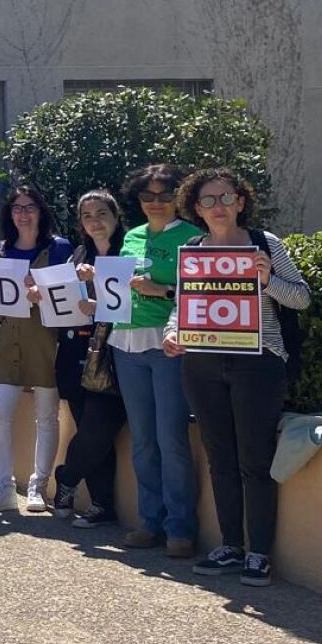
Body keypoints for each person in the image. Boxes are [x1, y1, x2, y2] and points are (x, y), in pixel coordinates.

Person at [165, 169, 309, 588]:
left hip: (258, 363)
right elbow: (182, 304)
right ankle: (231, 545)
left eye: (226, 198)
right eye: (208, 200)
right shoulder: (193, 250)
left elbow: (301, 297)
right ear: (196, 208)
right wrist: (172, 332)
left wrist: (267, 279)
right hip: (202, 363)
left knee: (255, 460)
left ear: (240, 202)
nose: (219, 207)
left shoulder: (265, 244)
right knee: (219, 458)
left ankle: (259, 552)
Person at [112, 164, 203, 558]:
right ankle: (150, 521)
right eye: (147, 196)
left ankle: (180, 528)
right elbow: (118, 288)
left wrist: (162, 290)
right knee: (143, 440)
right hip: (125, 344)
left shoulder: (193, 237)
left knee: (171, 438)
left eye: (165, 195)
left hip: (169, 346)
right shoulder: (131, 236)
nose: (155, 202)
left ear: (178, 197)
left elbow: (201, 292)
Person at [0, 185, 75, 514]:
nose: (23, 214)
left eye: (30, 207)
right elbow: (0, 298)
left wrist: (41, 292)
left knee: (46, 416)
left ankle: (38, 487)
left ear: (41, 212)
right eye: (17, 208)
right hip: (8, 342)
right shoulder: (1, 250)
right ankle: (4, 489)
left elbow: (69, 295)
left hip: (46, 341)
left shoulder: (59, 248)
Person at [53, 190, 129, 527]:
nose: (95, 221)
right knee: (92, 432)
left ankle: (67, 477)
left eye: (102, 213)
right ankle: (102, 505)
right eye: (87, 215)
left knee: (99, 428)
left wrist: (97, 294)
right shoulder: (79, 254)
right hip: (77, 352)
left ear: (115, 216)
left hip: (118, 353)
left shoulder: (130, 250)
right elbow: (65, 300)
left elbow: (131, 302)